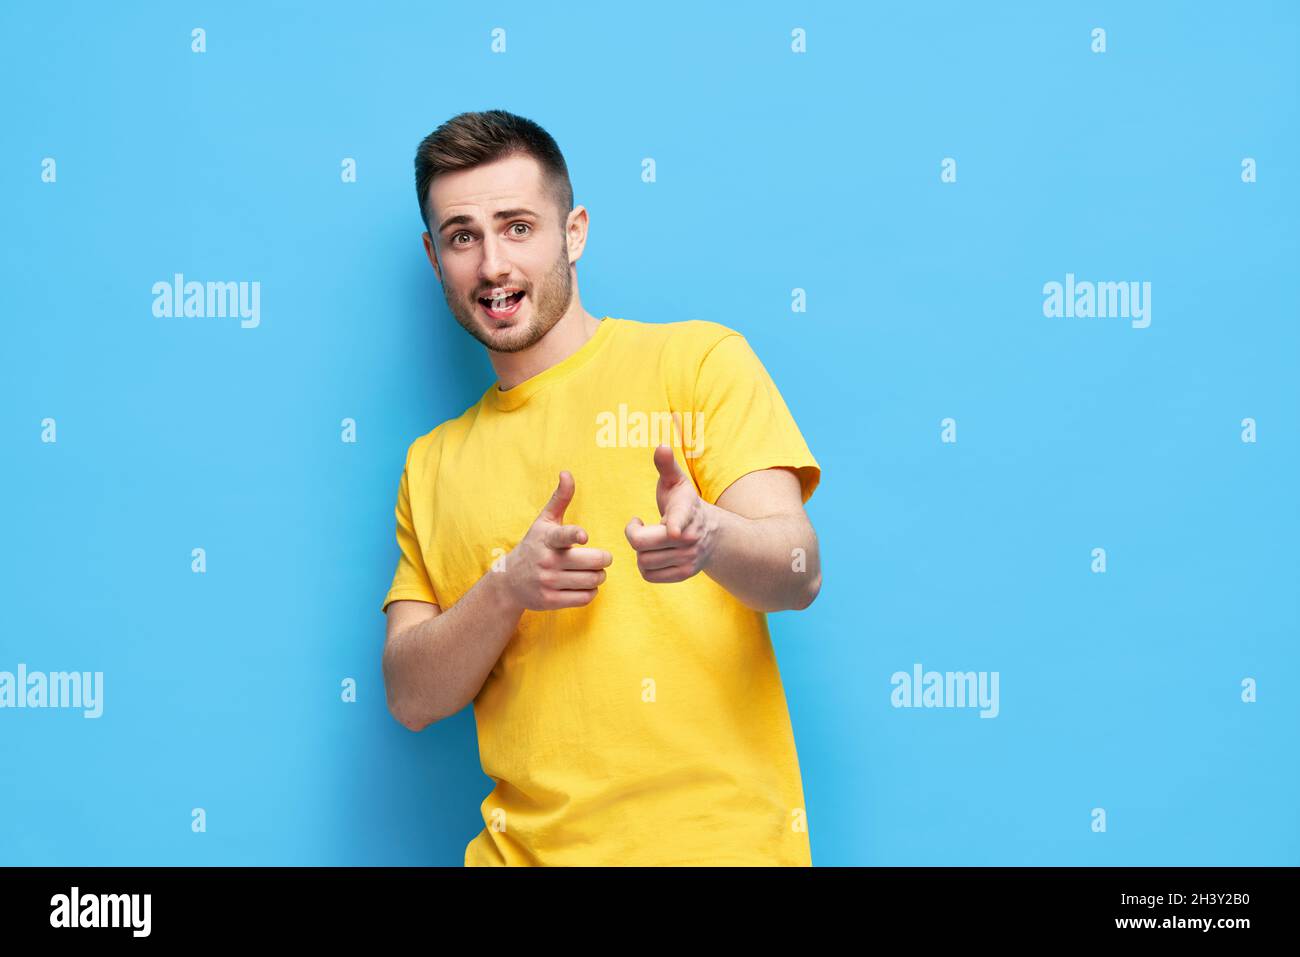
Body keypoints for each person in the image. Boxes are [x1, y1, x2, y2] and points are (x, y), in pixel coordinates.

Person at [381, 109, 823, 866]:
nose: (492, 264)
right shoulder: (432, 462)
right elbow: (410, 695)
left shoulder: (698, 362)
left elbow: (800, 571)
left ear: (574, 231)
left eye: (518, 226)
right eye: (463, 236)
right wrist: (506, 588)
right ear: (434, 257)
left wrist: (710, 535)